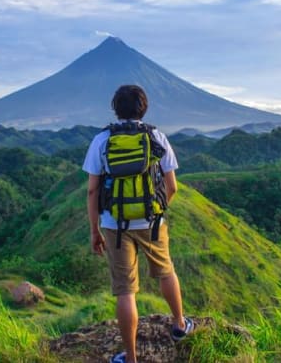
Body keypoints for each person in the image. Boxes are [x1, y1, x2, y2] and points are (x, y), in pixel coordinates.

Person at [82, 84, 194, 363]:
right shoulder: (156, 136)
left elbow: (92, 191)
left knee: (125, 290)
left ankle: (131, 358)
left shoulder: (102, 140)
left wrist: (95, 230)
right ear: (143, 108)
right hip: (151, 221)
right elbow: (172, 186)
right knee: (166, 271)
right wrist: (156, 210)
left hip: (114, 224)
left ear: (115, 109)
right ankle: (179, 325)